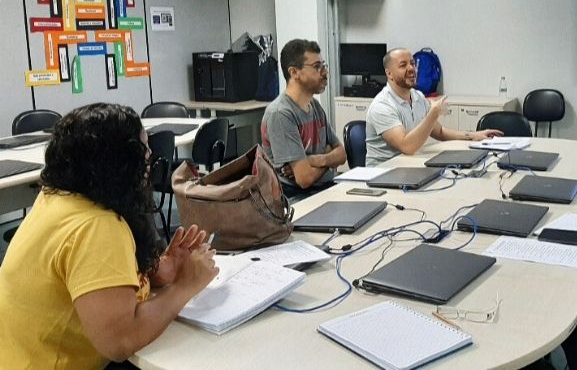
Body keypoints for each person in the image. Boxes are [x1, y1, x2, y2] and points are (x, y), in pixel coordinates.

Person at [0, 103, 218, 369]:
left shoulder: (58, 198)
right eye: (144, 150)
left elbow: (87, 278)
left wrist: (152, 274)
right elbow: (120, 341)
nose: (150, 157)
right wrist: (185, 287)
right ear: (121, 164)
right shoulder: (97, 226)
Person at [365, 48, 502, 166]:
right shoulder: (382, 106)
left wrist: (474, 136)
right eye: (403, 65)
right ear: (389, 74)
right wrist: (433, 113)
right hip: (383, 171)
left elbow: (439, 131)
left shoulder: (417, 96)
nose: (411, 68)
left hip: (409, 165)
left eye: (412, 63)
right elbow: (407, 146)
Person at [261, 38, 346, 200]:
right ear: (294, 73)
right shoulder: (280, 114)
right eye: (317, 67)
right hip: (298, 199)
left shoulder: (315, 106)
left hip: (325, 189)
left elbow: (342, 154)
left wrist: (316, 159)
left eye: (323, 66)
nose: (325, 73)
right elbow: (304, 179)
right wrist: (329, 158)